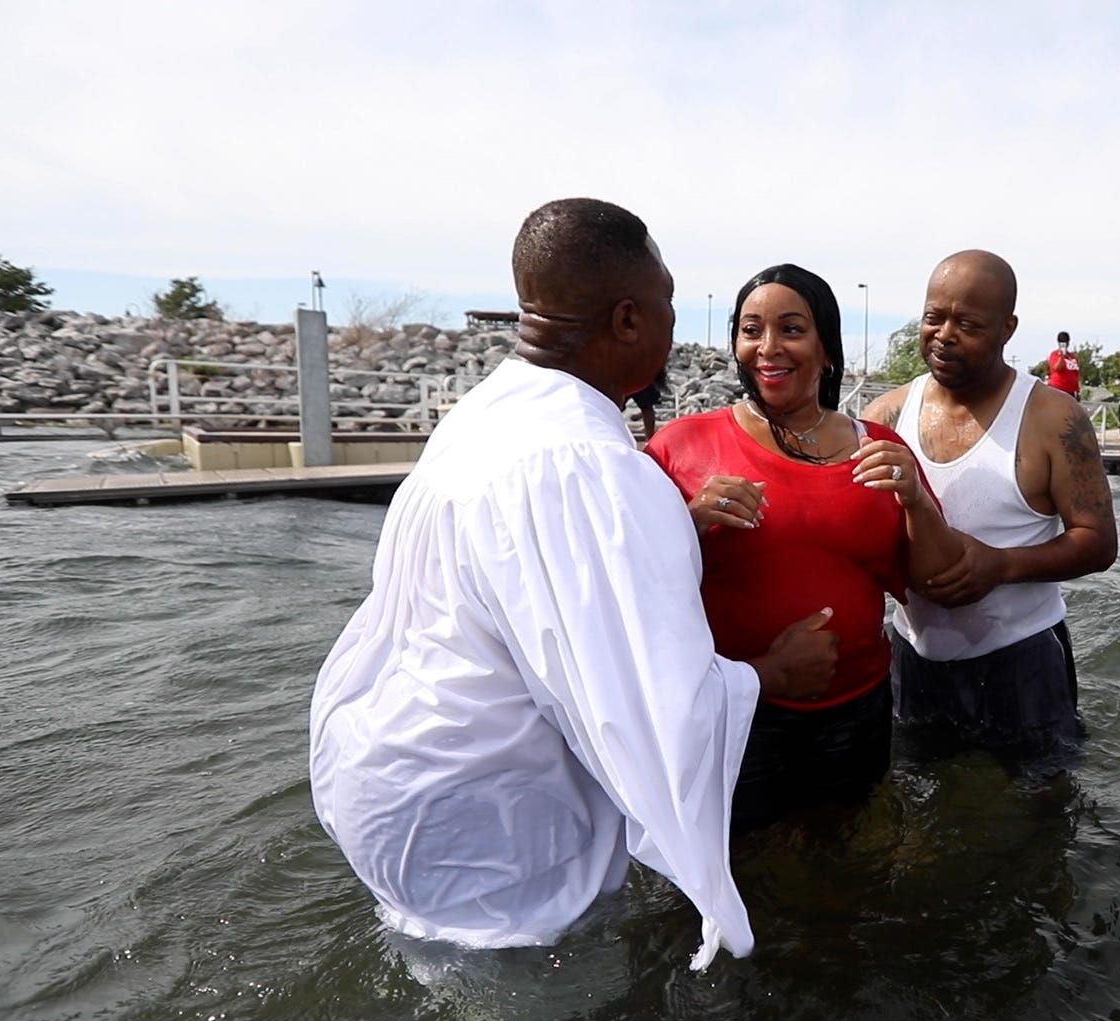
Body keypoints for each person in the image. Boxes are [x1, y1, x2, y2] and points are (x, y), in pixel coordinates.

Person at [308, 198, 838, 969]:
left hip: (391, 779)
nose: (673, 326)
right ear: (628, 320)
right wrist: (773, 673)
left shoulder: (485, 416)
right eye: (667, 304)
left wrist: (670, 533)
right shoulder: (587, 464)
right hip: (492, 838)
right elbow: (652, 711)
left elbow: (528, 588)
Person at [644, 264, 963, 829]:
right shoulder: (680, 446)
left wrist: (914, 496)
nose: (768, 348)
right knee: (742, 865)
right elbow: (628, 589)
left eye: (791, 329)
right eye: (750, 329)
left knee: (849, 865)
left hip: (859, 709)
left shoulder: (880, 449)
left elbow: (934, 580)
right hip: (735, 710)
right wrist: (690, 523)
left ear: (828, 351)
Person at [862, 250, 1119, 765]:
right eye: (933, 317)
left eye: (969, 324)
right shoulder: (885, 415)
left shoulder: (1052, 417)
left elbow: (1099, 541)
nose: (944, 334)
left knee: (1040, 814)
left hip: (1022, 660)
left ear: (1008, 328)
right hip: (912, 655)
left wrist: (1002, 565)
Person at [631, 366, 667, 439]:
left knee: (647, 406)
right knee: (647, 407)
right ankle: (650, 439)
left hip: (641, 371)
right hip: (641, 370)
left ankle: (650, 439)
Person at [1045, 331, 1080, 400]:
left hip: (1070, 391)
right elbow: (1058, 368)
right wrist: (1062, 356)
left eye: (1066, 341)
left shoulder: (1072, 356)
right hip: (1057, 389)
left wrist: (1077, 391)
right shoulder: (1054, 354)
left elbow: (1076, 374)